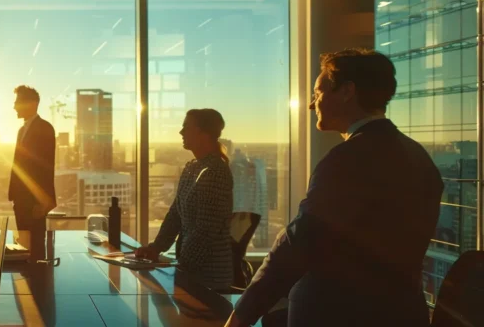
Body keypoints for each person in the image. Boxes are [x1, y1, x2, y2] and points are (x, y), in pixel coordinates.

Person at [226, 49, 443, 327]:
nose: (311, 104)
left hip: (339, 316)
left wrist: (240, 317)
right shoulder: (418, 156)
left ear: (347, 91)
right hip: (402, 313)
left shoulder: (349, 158)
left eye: (318, 92)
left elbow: (300, 242)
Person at [135, 108, 234, 290]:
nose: (181, 132)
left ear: (202, 133)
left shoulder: (215, 172)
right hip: (189, 270)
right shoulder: (192, 168)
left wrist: (180, 268)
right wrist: (156, 248)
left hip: (208, 277)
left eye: (186, 127)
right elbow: (176, 214)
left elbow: (205, 231)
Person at [8, 85, 56, 260]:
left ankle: (37, 285)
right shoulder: (22, 130)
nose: (14, 107)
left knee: (35, 248)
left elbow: (46, 166)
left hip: (34, 202)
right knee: (24, 248)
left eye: (17, 102)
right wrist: (13, 193)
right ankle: (26, 284)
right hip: (21, 199)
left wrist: (44, 201)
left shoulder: (45, 128)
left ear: (32, 103)